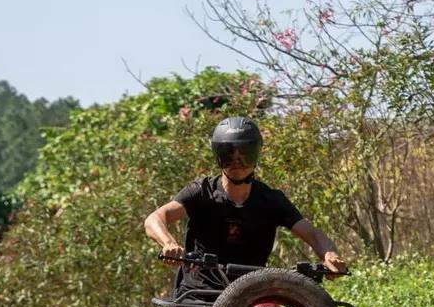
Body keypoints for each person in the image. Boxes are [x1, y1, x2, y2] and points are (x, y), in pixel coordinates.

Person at [144, 116, 348, 293]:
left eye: (245, 153)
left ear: (256, 155)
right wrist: (168, 243)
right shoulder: (201, 192)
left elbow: (312, 233)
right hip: (197, 296)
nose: (237, 161)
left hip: (251, 295)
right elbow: (155, 219)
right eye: (228, 154)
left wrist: (329, 254)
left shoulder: (271, 200)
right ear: (218, 156)